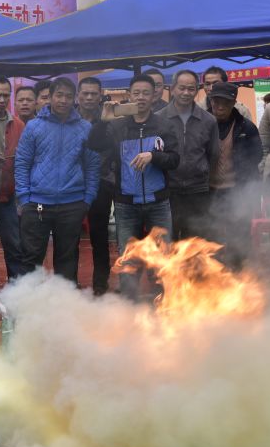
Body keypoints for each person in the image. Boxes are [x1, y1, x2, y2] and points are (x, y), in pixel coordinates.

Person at [87, 74, 180, 301]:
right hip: (126, 203)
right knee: (129, 258)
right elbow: (94, 145)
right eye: (136, 93)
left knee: (161, 255)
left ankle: (163, 300)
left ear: (154, 95)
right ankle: (129, 302)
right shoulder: (117, 126)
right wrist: (103, 121)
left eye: (146, 93)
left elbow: (175, 160)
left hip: (158, 202)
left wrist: (153, 156)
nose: (140, 98)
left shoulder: (164, 125)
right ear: (129, 95)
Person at [15, 77, 99, 283]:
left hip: (72, 204)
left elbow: (93, 165)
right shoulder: (34, 126)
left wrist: (87, 198)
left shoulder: (85, 128)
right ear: (49, 97)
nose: (63, 100)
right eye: (59, 95)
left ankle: (64, 308)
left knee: (67, 259)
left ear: (75, 99)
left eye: (68, 96)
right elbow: (22, 163)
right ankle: (28, 306)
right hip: (36, 204)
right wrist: (24, 198)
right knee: (31, 259)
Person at [157, 70, 220, 240]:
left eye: (191, 89)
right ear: (172, 89)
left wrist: (203, 174)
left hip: (198, 190)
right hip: (168, 190)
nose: (186, 93)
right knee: (168, 240)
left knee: (194, 240)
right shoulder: (158, 119)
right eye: (182, 88)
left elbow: (213, 154)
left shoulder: (208, 120)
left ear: (197, 90)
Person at [206, 82, 262, 268]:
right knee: (211, 237)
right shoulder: (202, 125)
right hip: (209, 191)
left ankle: (239, 274)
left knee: (239, 236)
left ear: (234, 103)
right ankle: (214, 276)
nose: (220, 106)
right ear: (210, 100)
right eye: (216, 101)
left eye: (226, 103)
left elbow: (257, 156)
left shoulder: (246, 127)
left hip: (237, 190)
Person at [0, 75, 27, 289]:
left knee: (14, 245)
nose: (1, 99)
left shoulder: (18, 124)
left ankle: (17, 291)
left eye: (5, 95)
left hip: (9, 195)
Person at [77, 76, 114, 295]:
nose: (89, 97)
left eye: (94, 93)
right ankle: (69, 282)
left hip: (101, 182)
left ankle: (101, 284)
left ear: (100, 95)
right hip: (73, 184)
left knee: (99, 236)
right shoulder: (69, 118)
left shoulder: (109, 118)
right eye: (85, 93)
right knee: (70, 236)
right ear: (78, 95)